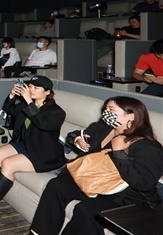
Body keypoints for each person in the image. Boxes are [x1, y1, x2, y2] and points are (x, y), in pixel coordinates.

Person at [29, 96, 163, 235]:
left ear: (131, 116)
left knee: (87, 209)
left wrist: (118, 152)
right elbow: (75, 135)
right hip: (96, 180)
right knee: (56, 186)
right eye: (106, 109)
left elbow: (142, 183)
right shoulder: (102, 128)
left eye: (111, 109)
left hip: (125, 197)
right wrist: (77, 139)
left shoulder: (148, 146)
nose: (106, 112)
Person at [0, 76, 66, 212]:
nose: (31, 90)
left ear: (47, 92)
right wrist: (12, 95)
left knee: (8, 163)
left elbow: (43, 124)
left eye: (36, 88)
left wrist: (29, 101)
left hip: (44, 153)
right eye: (30, 87)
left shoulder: (57, 112)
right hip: (27, 144)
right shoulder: (27, 105)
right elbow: (8, 108)